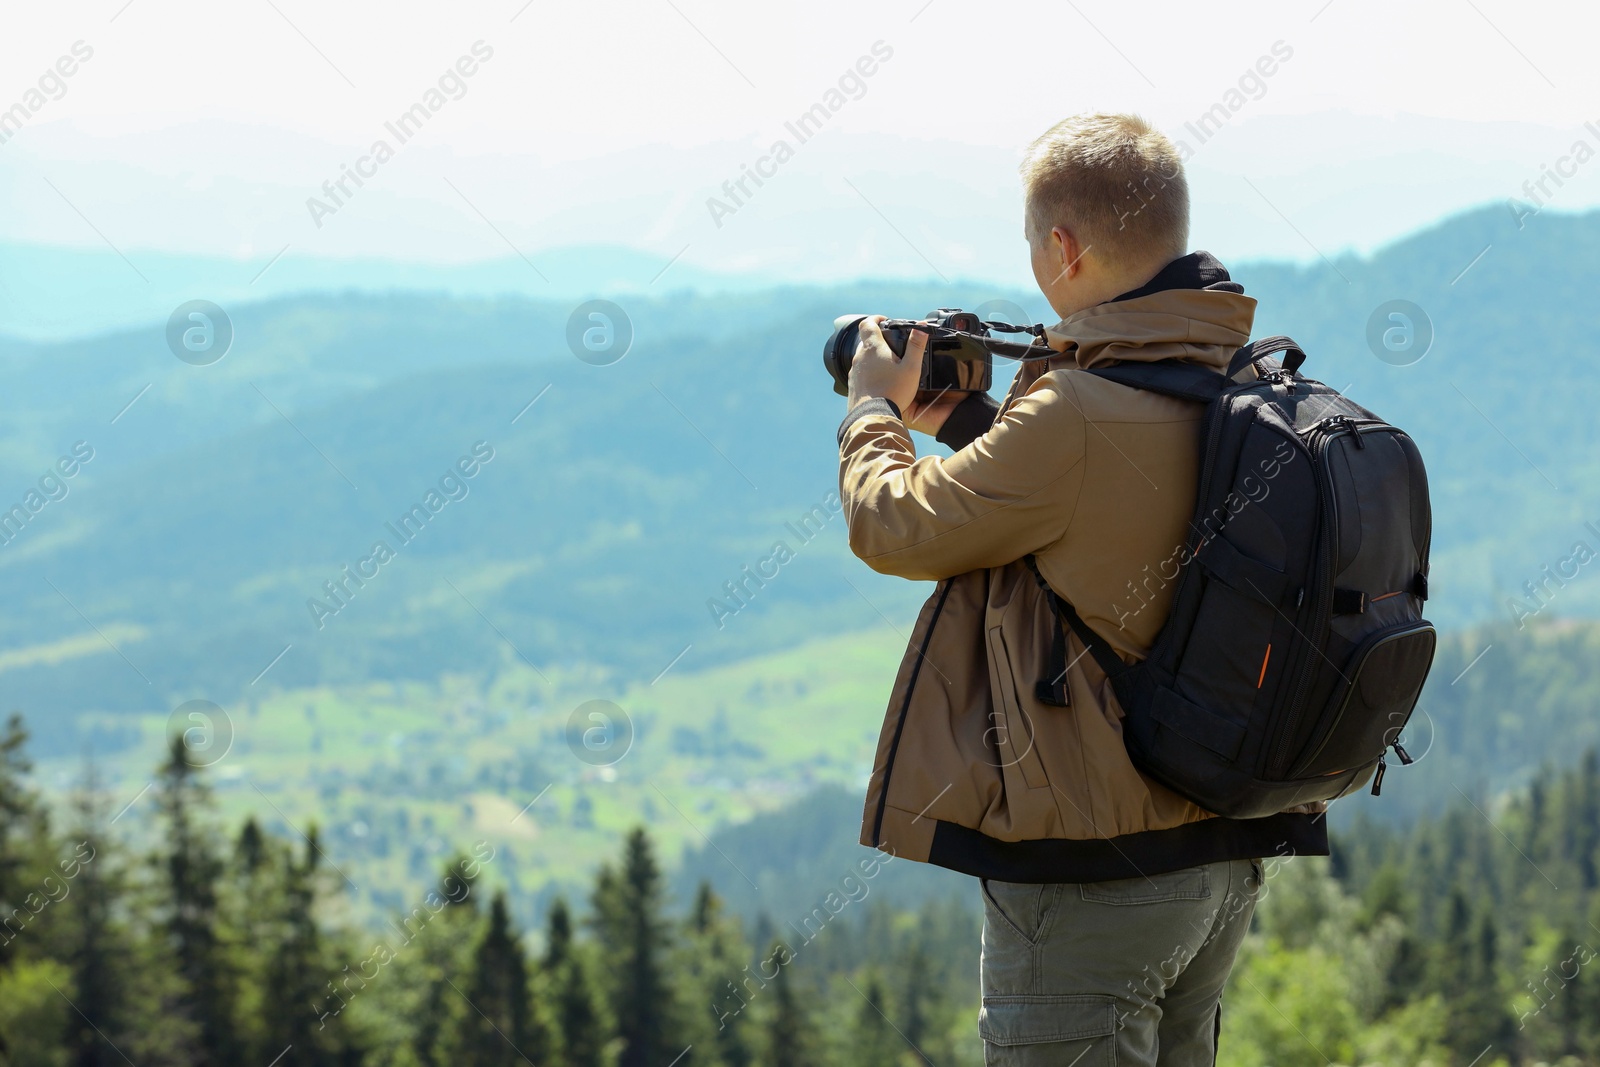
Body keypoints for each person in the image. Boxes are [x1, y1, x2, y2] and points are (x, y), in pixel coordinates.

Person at [835, 113, 1329, 1065]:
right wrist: (973, 422)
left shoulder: (1076, 409)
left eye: (1031, 243)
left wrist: (872, 405)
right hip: (1219, 855)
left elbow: (889, 523)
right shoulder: (1233, 381)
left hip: (1092, 878)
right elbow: (1109, 510)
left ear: (1061, 247)